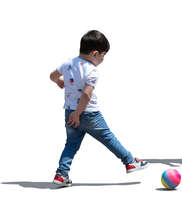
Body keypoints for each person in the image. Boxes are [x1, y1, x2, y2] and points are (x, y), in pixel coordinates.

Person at [50, 30, 148, 186]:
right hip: (88, 114)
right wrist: (78, 113)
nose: (103, 59)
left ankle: (61, 175)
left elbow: (52, 75)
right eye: (103, 55)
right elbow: (86, 95)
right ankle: (129, 161)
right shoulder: (92, 70)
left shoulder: (67, 63)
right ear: (95, 53)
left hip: (69, 112)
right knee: (108, 138)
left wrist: (59, 82)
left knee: (71, 144)